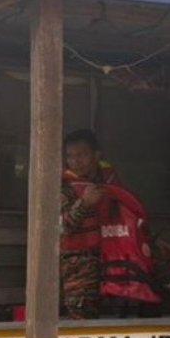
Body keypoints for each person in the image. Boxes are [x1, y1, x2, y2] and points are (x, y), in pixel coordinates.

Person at [59, 129, 122, 320]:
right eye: (70, 156)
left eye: (81, 155)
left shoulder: (111, 181)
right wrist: (84, 204)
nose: (75, 161)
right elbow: (60, 228)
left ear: (96, 155)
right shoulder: (63, 186)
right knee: (82, 319)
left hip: (114, 256)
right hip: (78, 262)